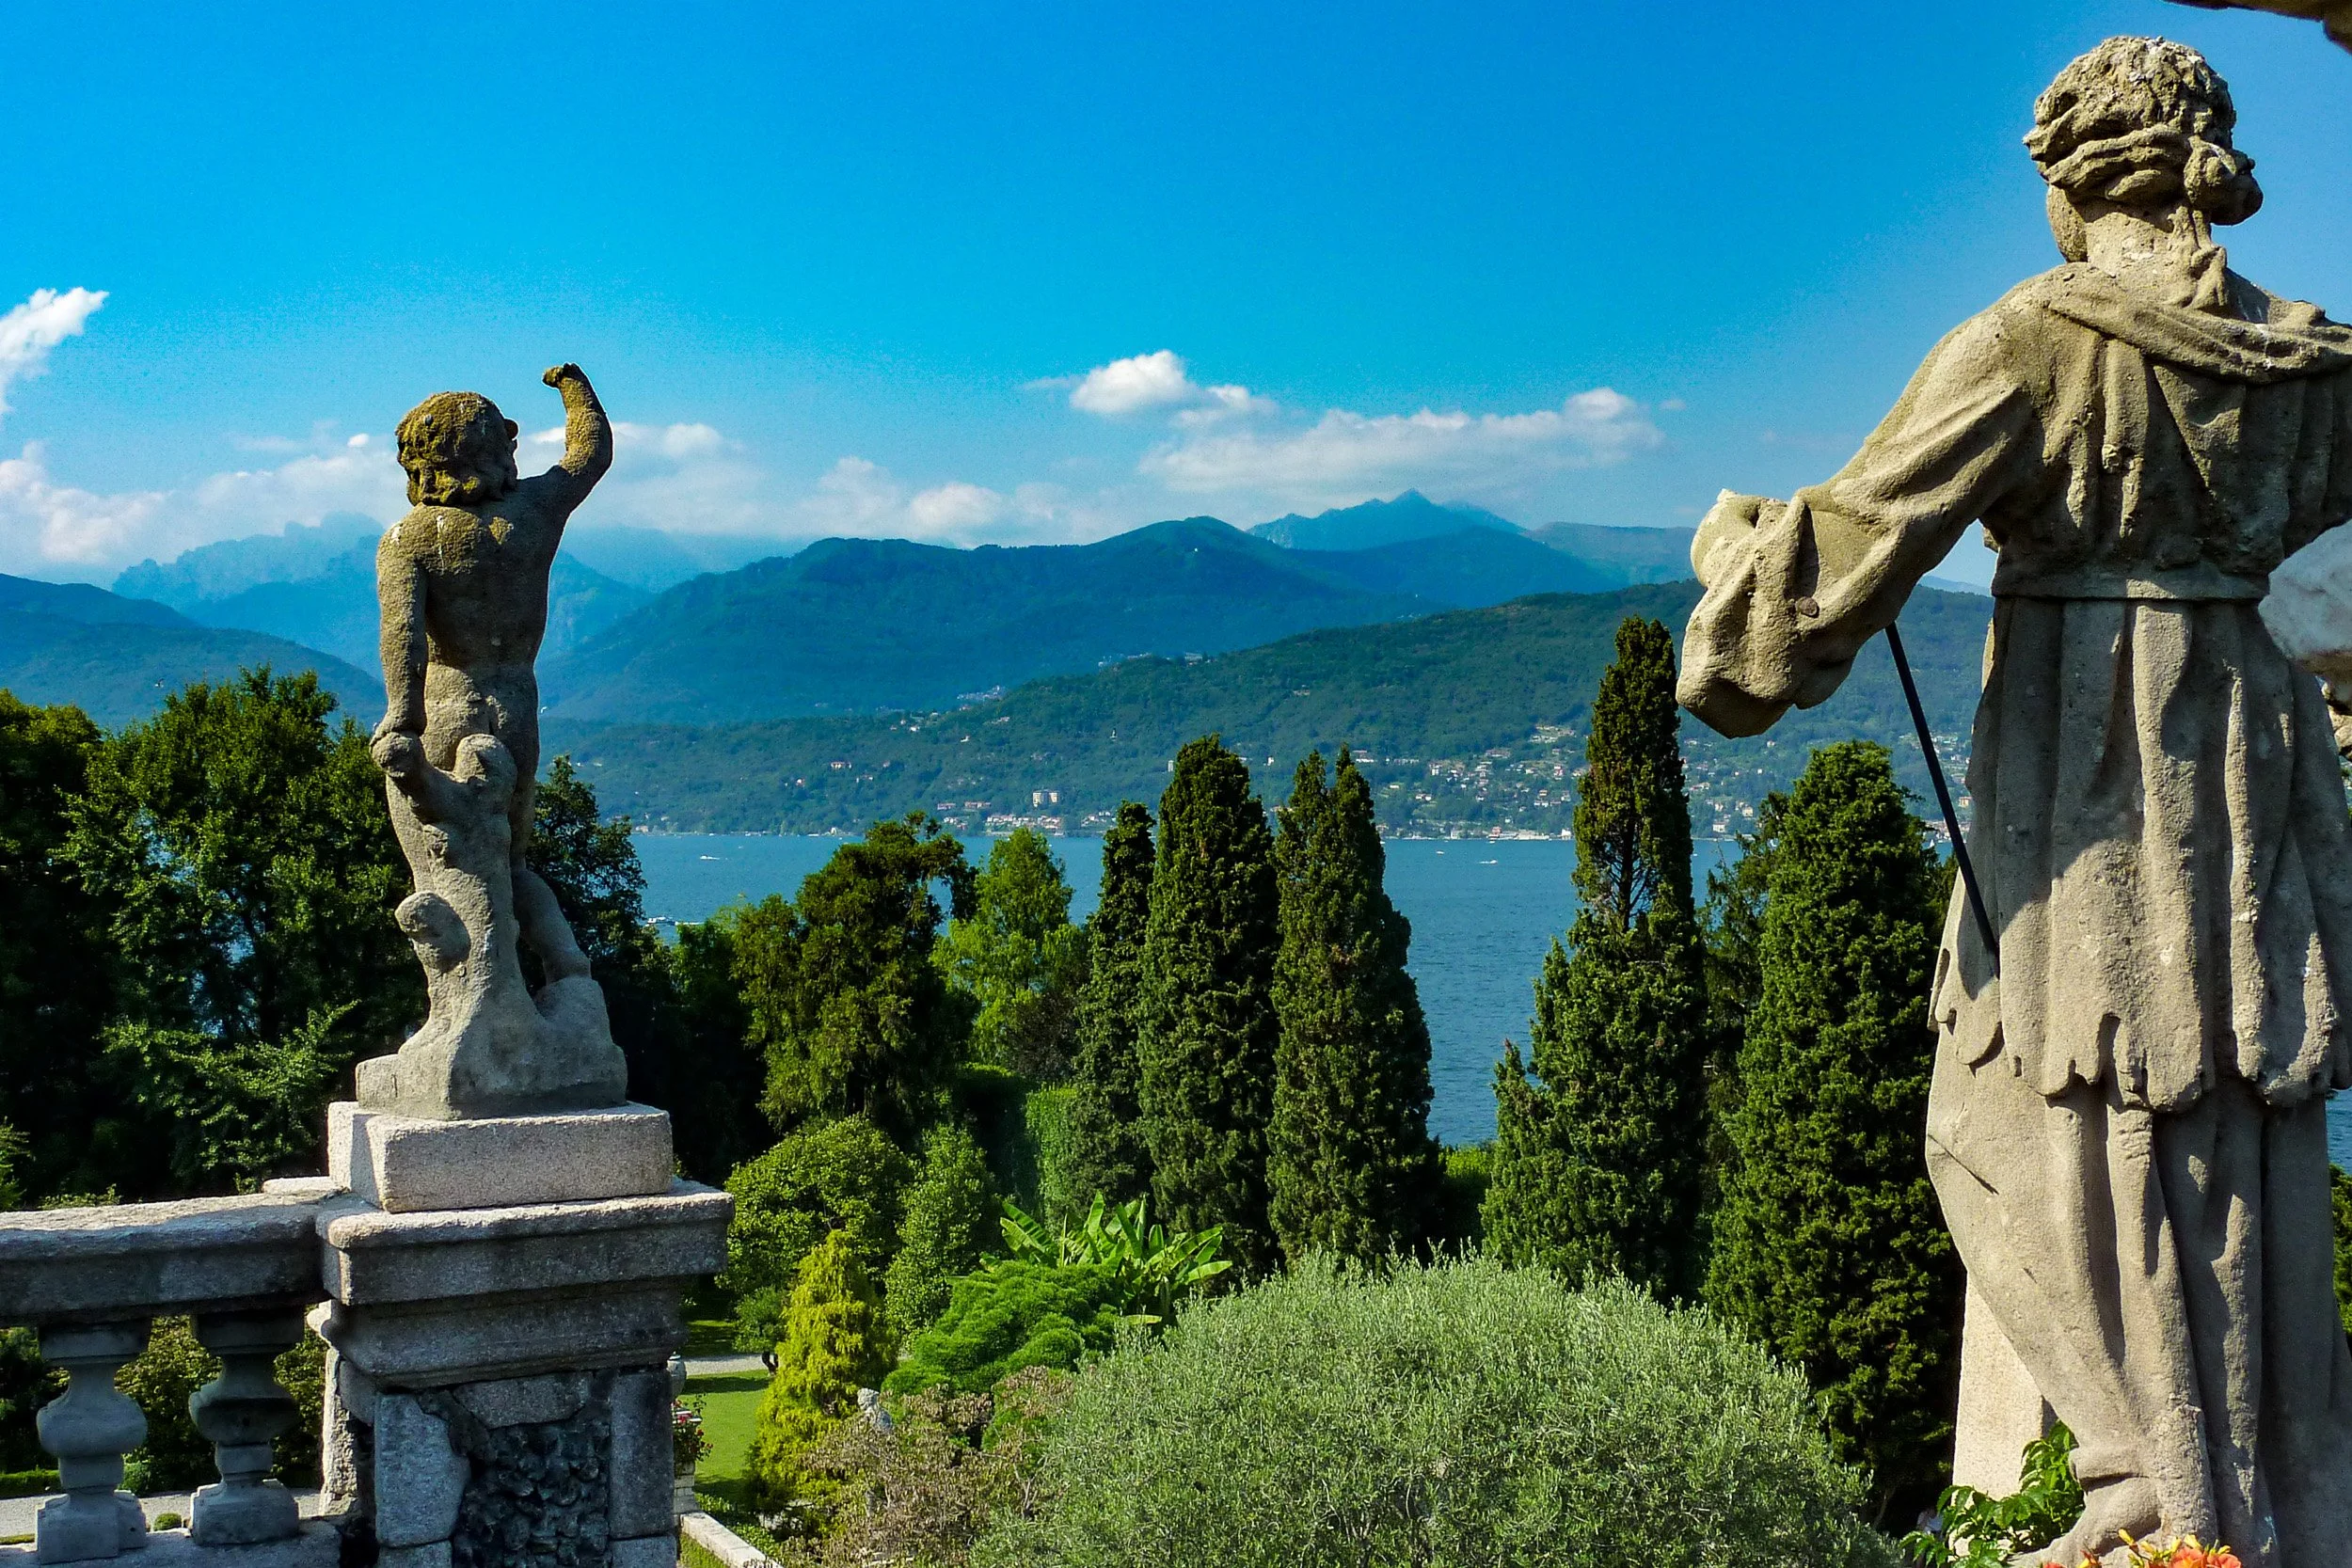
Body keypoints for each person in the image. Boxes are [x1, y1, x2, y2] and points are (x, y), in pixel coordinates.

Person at [1678, 38, 2352, 1565]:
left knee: (2004, 1113)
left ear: (2069, 180)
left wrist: (1729, 568)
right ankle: (2264, 1499)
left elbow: (1824, 580)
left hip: (2089, 769)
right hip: (2257, 769)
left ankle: (2149, 1496)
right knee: (2233, 1119)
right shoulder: (2318, 364)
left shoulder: (2030, 341)